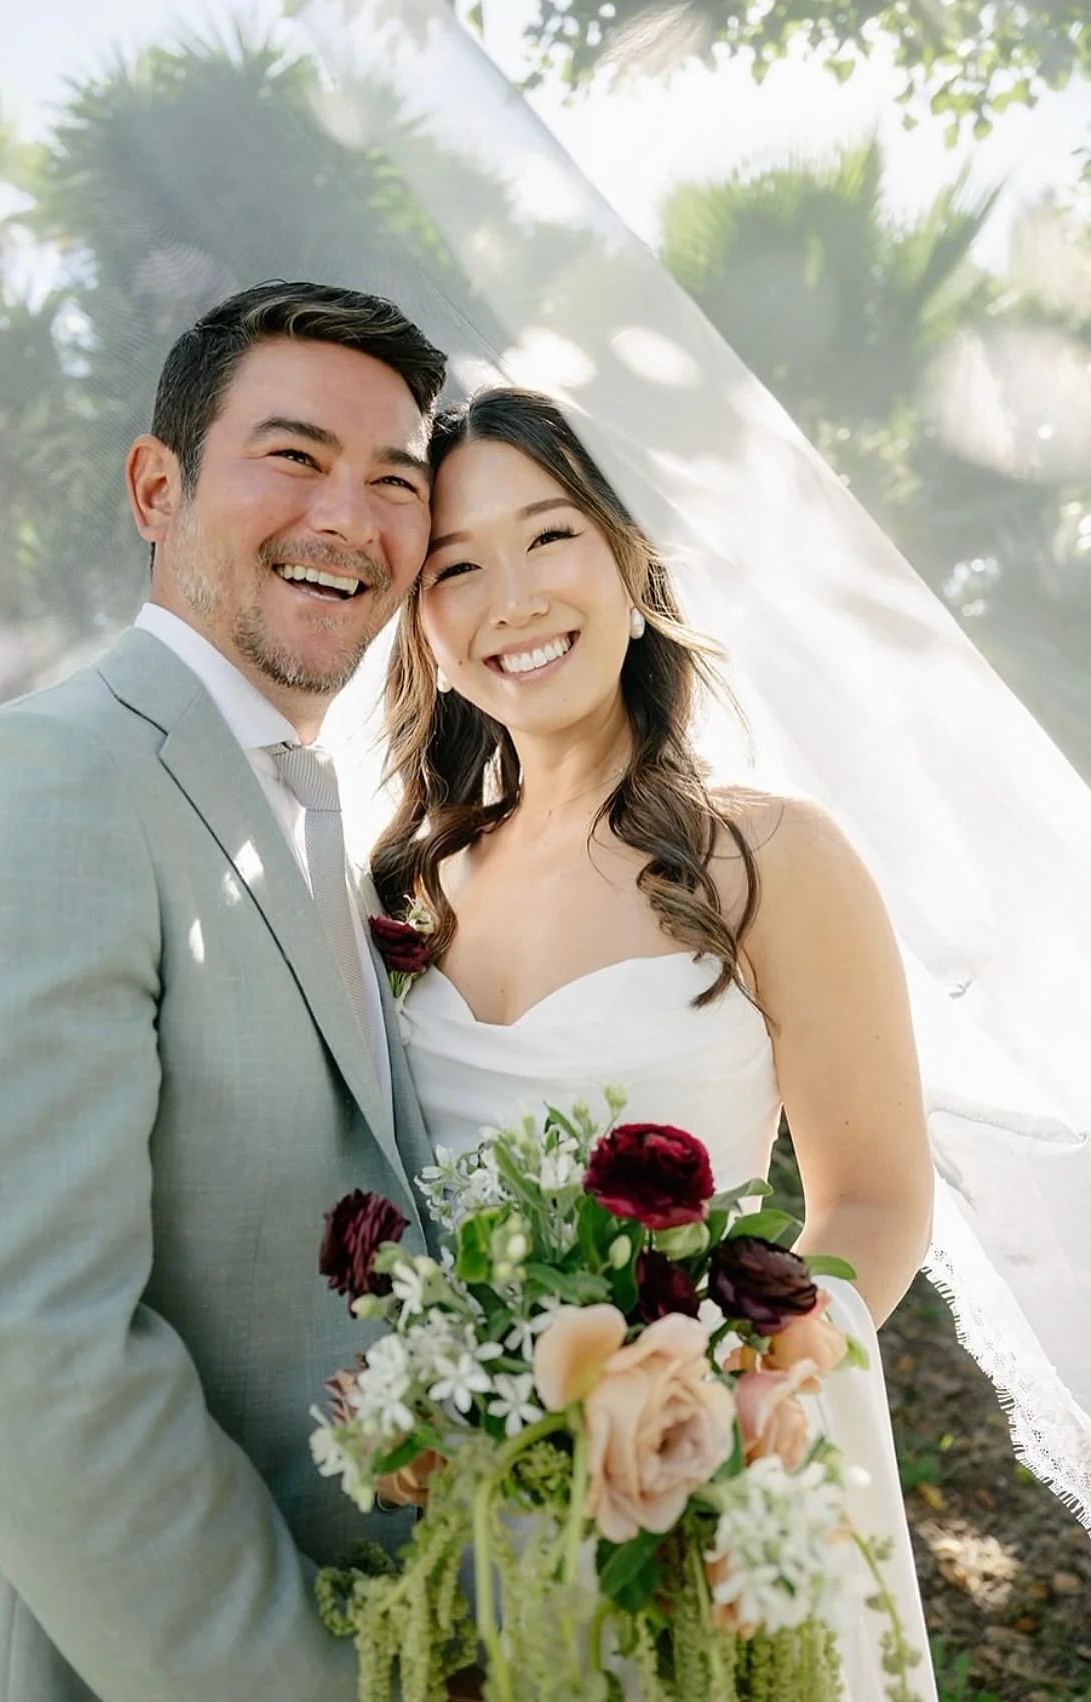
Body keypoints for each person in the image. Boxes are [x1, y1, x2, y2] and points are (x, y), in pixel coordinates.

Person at [0, 281, 448, 1702]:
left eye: (393, 479)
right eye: (292, 456)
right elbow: (15, 1348)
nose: (347, 516)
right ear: (156, 485)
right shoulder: (35, 786)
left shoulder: (317, 822)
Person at [371, 387, 940, 1697]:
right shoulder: (402, 892)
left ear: (631, 562)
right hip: (455, 1527)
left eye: (549, 534)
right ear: (424, 626)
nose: (508, 595)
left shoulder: (768, 860)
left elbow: (877, 1194)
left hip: (691, 1503)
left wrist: (730, 1381)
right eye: (456, 564)